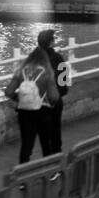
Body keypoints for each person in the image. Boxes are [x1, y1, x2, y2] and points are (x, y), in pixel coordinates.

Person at [5, 44, 60, 163]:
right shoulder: (47, 73)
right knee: (46, 143)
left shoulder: (21, 71)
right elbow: (54, 97)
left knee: (26, 145)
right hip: (43, 111)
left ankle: (23, 175)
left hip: (24, 111)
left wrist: (19, 98)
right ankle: (49, 171)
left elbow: (8, 91)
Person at [37, 29, 70, 157]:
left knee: (44, 136)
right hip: (55, 102)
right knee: (56, 132)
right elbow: (64, 87)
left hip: (39, 103)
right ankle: (57, 161)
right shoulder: (59, 59)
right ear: (52, 42)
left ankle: (46, 162)